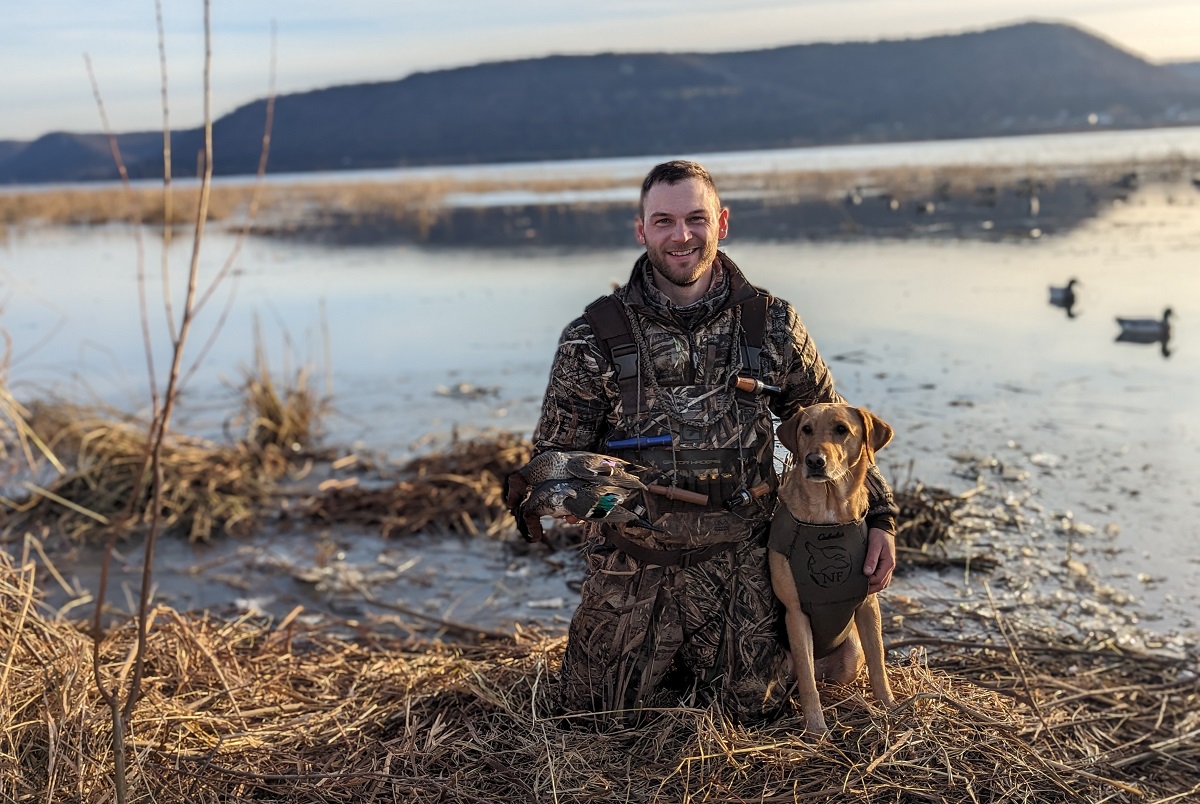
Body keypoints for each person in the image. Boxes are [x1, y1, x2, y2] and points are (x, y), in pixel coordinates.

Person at [529, 160, 898, 723]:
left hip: (741, 562)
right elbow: (551, 467)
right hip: (633, 566)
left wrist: (882, 520)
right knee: (591, 717)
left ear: (721, 222)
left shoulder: (771, 323)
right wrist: (608, 501)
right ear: (642, 229)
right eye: (664, 221)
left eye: (695, 219)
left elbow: (837, 431)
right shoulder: (593, 335)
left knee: (753, 712)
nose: (681, 236)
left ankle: (813, 647)